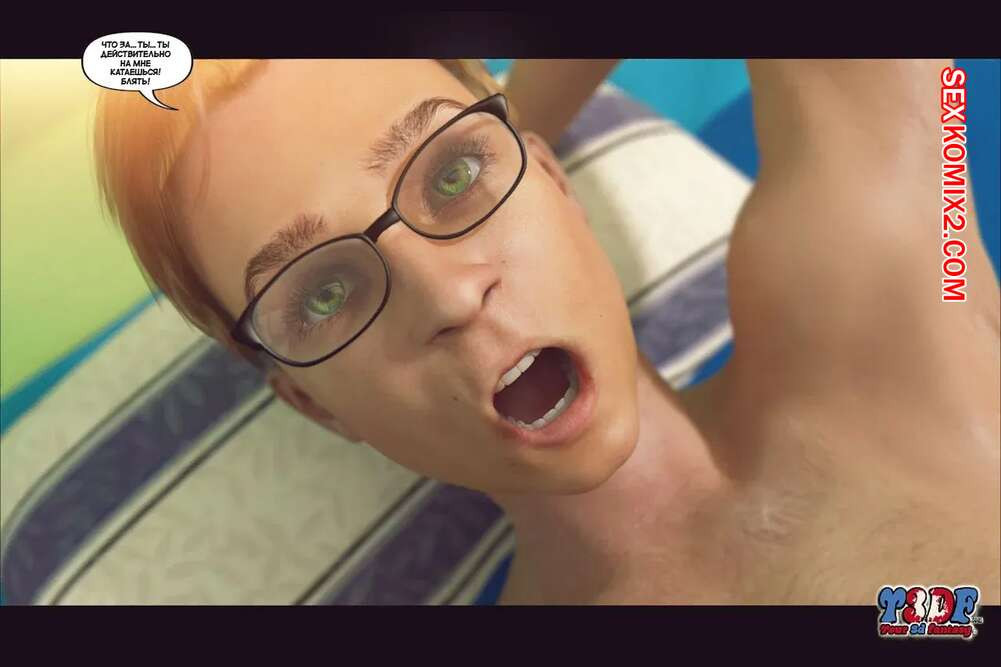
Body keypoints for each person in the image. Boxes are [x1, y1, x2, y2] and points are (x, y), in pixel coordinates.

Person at [94, 58, 1000, 604]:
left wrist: (519, 117)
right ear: (315, 405)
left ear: (552, 178)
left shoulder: (893, 308)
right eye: (324, 292)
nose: (449, 296)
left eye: (452, 176)